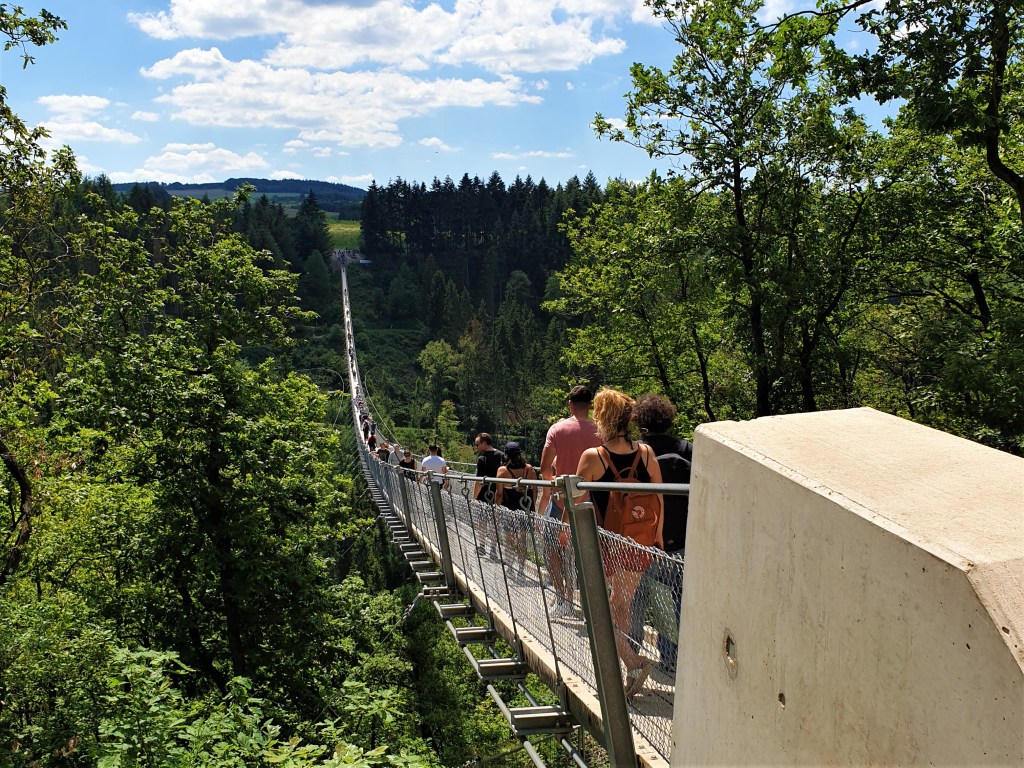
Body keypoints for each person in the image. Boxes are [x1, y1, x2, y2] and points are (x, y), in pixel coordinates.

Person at [575, 387, 663, 698]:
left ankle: (632, 660)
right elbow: (659, 496)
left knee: (596, 610)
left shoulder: (594, 457)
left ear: (603, 418)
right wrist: (657, 536)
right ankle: (628, 669)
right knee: (620, 606)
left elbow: (572, 497)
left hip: (607, 543)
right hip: (639, 543)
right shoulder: (647, 453)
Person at [630, 393, 692, 672]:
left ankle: (632, 655)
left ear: (641, 422)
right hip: (681, 539)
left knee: (637, 597)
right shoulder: (686, 449)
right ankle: (672, 660)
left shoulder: (636, 452)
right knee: (677, 598)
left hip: (643, 540)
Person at [536, 385, 602, 617]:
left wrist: (551, 487)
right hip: (592, 503)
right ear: (591, 405)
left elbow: (545, 467)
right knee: (588, 553)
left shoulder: (558, 429)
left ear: (570, 405)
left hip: (562, 501)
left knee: (550, 547)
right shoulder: (601, 431)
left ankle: (563, 597)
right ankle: (588, 605)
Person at [495, 442, 537, 580]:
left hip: (509, 509)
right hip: (525, 508)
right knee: (522, 540)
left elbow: (499, 493)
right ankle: (521, 569)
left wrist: (497, 508)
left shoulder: (502, 471)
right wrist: (533, 506)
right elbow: (534, 489)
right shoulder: (529, 469)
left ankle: (510, 568)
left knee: (509, 540)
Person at [472, 433, 505, 557]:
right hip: (499, 494)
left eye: (477, 444)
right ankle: (493, 549)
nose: (476, 447)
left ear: (485, 443)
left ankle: (481, 547)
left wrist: (474, 498)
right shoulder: (502, 456)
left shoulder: (482, 458)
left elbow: (479, 481)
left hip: (484, 495)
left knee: (482, 522)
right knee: (495, 522)